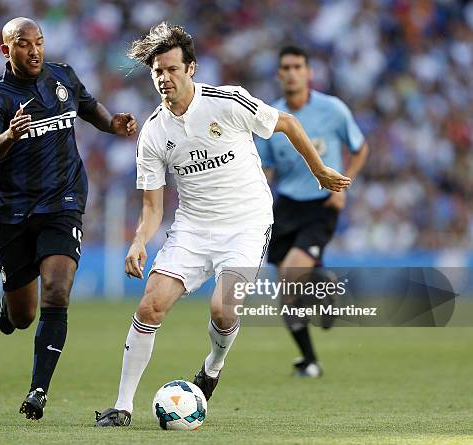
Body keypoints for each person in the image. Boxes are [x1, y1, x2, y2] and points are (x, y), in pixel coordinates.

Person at [95, 23, 350, 427]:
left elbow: (287, 123)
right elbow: (152, 207)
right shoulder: (153, 133)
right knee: (150, 305)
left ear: (191, 68)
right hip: (193, 228)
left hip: (246, 223)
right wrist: (139, 240)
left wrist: (319, 172)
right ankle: (122, 406)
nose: (164, 78)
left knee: (222, 308)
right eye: (157, 71)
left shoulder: (227, 101)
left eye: (172, 69)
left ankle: (213, 366)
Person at [0, 17, 137, 420]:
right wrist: (9, 136)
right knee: (23, 315)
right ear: (6, 50)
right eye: (24, 44)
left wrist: (112, 124)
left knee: (57, 291)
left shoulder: (62, 77)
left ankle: (37, 392)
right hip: (13, 211)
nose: (34, 50)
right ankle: (8, 304)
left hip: (63, 203)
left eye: (39, 42)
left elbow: (88, 107)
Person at [258, 46, 368, 377]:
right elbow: (266, 170)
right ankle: (310, 360)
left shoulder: (333, 110)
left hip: (322, 204)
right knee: (286, 291)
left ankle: (325, 289)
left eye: (297, 66)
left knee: (292, 275)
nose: (291, 72)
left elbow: (360, 148)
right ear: (279, 74)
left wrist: (343, 189)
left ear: (309, 72)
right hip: (287, 205)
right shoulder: (269, 117)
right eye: (285, 67)